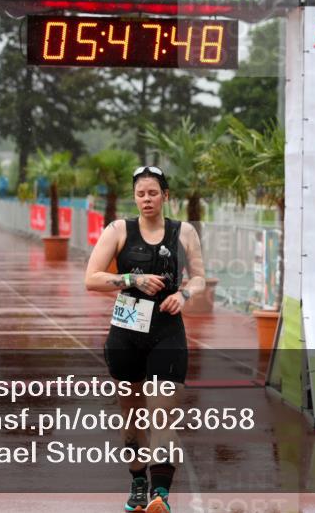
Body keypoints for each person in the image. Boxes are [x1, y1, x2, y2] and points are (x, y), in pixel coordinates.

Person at [85, 165, 206, 513]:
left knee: (161, 415)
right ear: (134, 197)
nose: (147, 199)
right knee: (133, 417)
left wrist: (183, 295)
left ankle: (160, 494)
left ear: (166, 196)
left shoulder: (184, 233)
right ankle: (138, 482)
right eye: (141, 194)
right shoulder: (118, 230)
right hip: (126, 333)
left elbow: (199, 278)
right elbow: (91, 279)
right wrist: (130, 280)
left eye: (153, 193)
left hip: (167, 331)